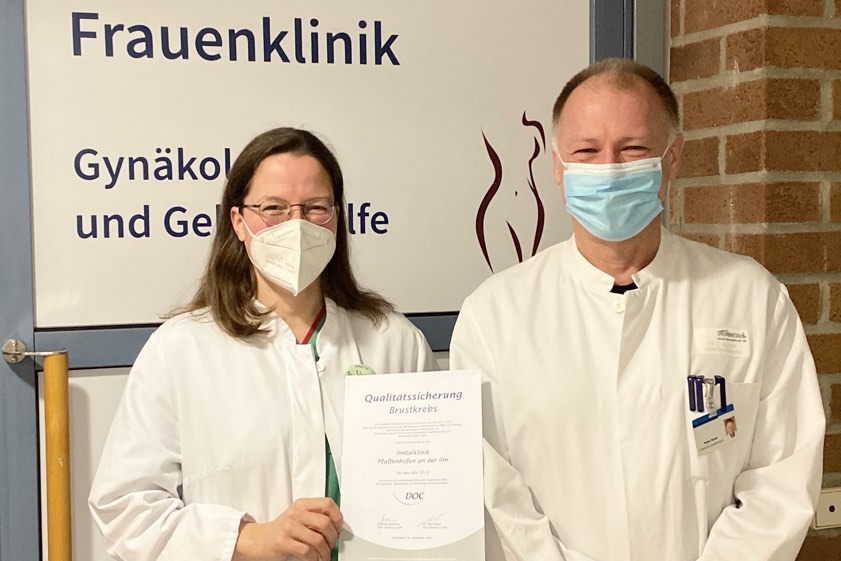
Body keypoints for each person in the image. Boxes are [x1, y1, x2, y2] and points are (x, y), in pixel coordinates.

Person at [450, 58, 825, 561]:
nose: (609, 169)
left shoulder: (751, 298)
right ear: (557, 165)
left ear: (673, 157)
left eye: (633, 149)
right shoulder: (495, 315)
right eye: (587, 151)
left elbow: (782, 476)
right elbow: (492, 486)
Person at [89, 127, 436, 561]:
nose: (296, 225)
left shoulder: (394, 342)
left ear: (337, 218)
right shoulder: (181, 350)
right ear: (238, 222)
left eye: (316, 208)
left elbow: (439, 485)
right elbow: (125, 509)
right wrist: (249, 539)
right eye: (273, 208)